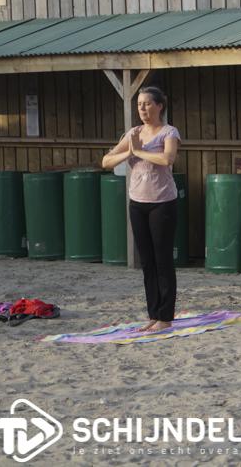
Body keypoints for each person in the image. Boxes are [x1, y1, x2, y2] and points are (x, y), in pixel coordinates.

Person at [102, 86, 180, 333]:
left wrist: (140, 151)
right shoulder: (133, 133)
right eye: (139, 105)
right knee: (147, 262)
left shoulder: (169, 132)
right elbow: (106, 161)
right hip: (138, 203)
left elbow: (167, 159)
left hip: (162, 203)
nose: (143, 109)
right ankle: (153, 314)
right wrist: (129, 150)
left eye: (147, 104)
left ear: (159, 106)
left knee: (162, 260)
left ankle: (166, 317)